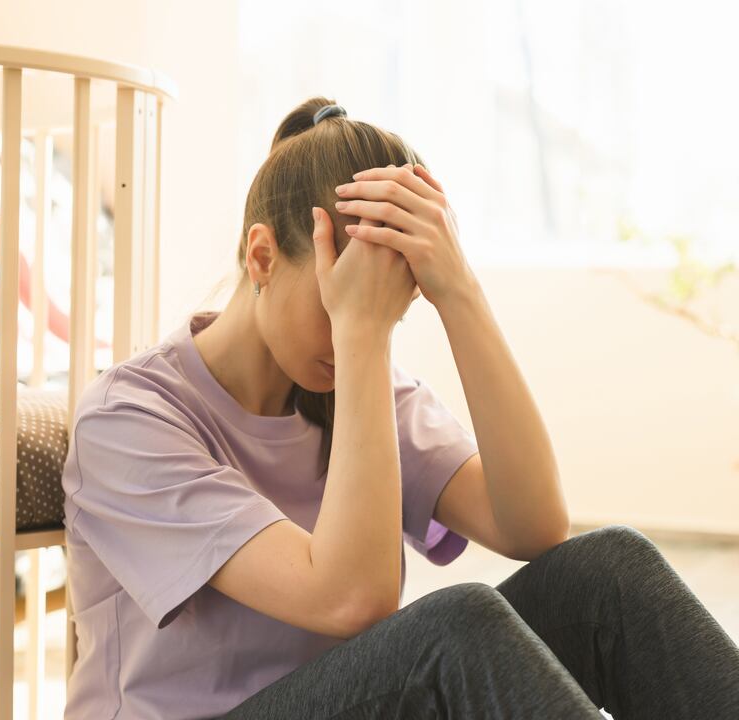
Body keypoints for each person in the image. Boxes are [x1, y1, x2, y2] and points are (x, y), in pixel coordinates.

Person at [60, 97, 739, 719]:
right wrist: (360, 333)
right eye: (339, 298)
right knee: (455, 628)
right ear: (262, 256)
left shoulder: (350, 381)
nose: (363, 323)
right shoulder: (130, 419)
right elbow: (352, 599)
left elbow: (531, 524)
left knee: (608, 570)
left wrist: (458, 291)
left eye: (387, 305)